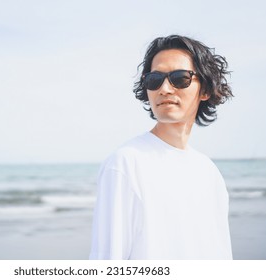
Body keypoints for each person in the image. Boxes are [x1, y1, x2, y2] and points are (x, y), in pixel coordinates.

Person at [89, 35, 234, 260]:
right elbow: (107, 260)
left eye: (180, 78)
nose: (165, 89)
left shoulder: (209, 171)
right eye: (155, 79)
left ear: (205, 89)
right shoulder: (126, 163)